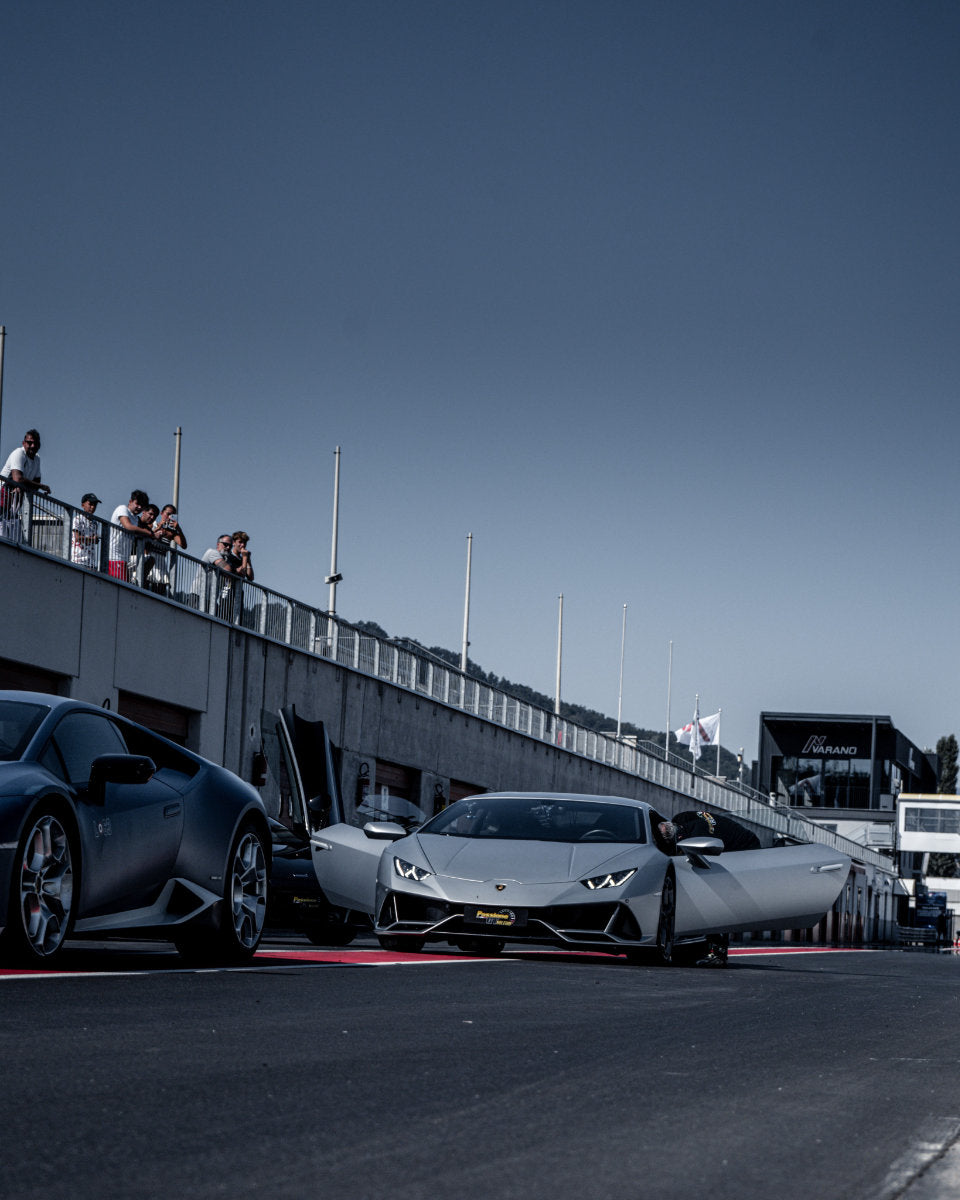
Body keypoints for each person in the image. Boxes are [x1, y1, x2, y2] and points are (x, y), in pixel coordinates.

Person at [1, 429, 50, 542]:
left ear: (39, 445)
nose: (32, 446)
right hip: (4, 492)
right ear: (24, 443)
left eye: (35, 443)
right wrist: (40, 485)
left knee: (15, 535)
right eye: (29, 443)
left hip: (16, 500)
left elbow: (35, 483)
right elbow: (17, 478)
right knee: (2, 527)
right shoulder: (18, 453)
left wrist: (27, 484)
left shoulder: (37, 459)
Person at [109, 490, 157, 581]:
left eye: (142, 506)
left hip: (124, 559)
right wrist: (149, 533)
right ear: (130, 501)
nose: (139, 507)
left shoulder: (135, 518)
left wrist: (153, 535)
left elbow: (138, 532)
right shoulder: (122, 508)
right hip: (114, 557)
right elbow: (128, 526)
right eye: (137, 504)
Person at [203, 533, 240, 618]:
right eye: (225, 545)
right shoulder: (212, 552)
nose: (228, 548)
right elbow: (227, 569)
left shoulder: (226, 559)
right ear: (218, 544)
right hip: (198, 596)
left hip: (211, 600)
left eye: (230, 546)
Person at [70, 493, 102, 567]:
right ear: (83, 505)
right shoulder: (78, 519)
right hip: (78, 561)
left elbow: (92, 539)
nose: (93, 507)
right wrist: (92, 539)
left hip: (90, 562)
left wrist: (94, 539)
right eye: (90, 504)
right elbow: (77, 538)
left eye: (95, 505)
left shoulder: (95, 523)